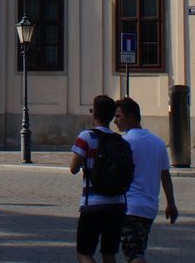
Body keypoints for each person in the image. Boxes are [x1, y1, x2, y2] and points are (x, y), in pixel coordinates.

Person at [113, 97, 177, 263]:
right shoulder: (158, 143)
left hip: (130, 207)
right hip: (149, 208)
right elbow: (165, 176)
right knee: (137, 250)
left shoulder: (125, 142)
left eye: (118, 116)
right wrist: (171, 203)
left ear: (131, 116)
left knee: (134, 254)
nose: (115, 121)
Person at [69, 94, 128, 263]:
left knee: (84, 252)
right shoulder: (120, 140)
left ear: (94, 114)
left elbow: (73, 168)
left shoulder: (86, 136)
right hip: (117, 204)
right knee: (109, 253)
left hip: (93, 204)